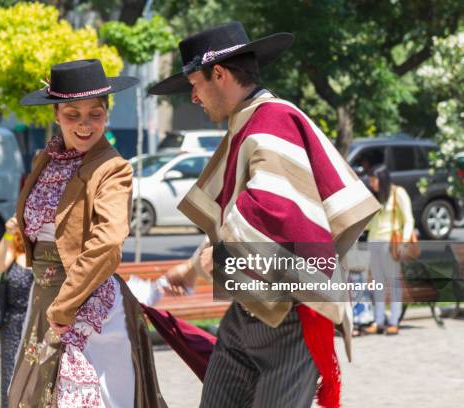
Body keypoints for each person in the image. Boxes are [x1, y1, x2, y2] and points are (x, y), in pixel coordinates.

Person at [149, 22, 380, 408]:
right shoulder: (254, 121)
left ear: (219, 74)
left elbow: (274, 218)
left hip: (289, 315)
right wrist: (190, 269)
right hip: (251, 308)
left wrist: (210, 260)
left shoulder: (270, 121)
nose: (193, 96)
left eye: (195, 84)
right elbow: (243, 220)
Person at [8, 59, 165, 407]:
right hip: (45, 298)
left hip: (89, 304)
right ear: (56, 114)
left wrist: (65, 306)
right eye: (72, 114)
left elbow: (107, 243)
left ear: (106, 115)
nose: (84, 124)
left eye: (95, 113)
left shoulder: (112, 168)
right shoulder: (44, 160)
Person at [364, 164, 414, 335]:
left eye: (373, 180)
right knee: (377, 284)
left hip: (391, 244)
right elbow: (371, 223)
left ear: (382, 179)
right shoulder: (375, 196)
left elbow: (408, 220)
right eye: (370, 181)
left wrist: (404, 242)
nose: (371, 184)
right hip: (374, 243)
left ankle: (394, 321)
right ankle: (379, 321)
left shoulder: (397, 193)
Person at [0, 216, 33, 408]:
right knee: (10, 378)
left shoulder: (47, 251)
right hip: (13, 324)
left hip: (39, 322)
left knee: (36, 379)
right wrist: (8, 233)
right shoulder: (14, 249)